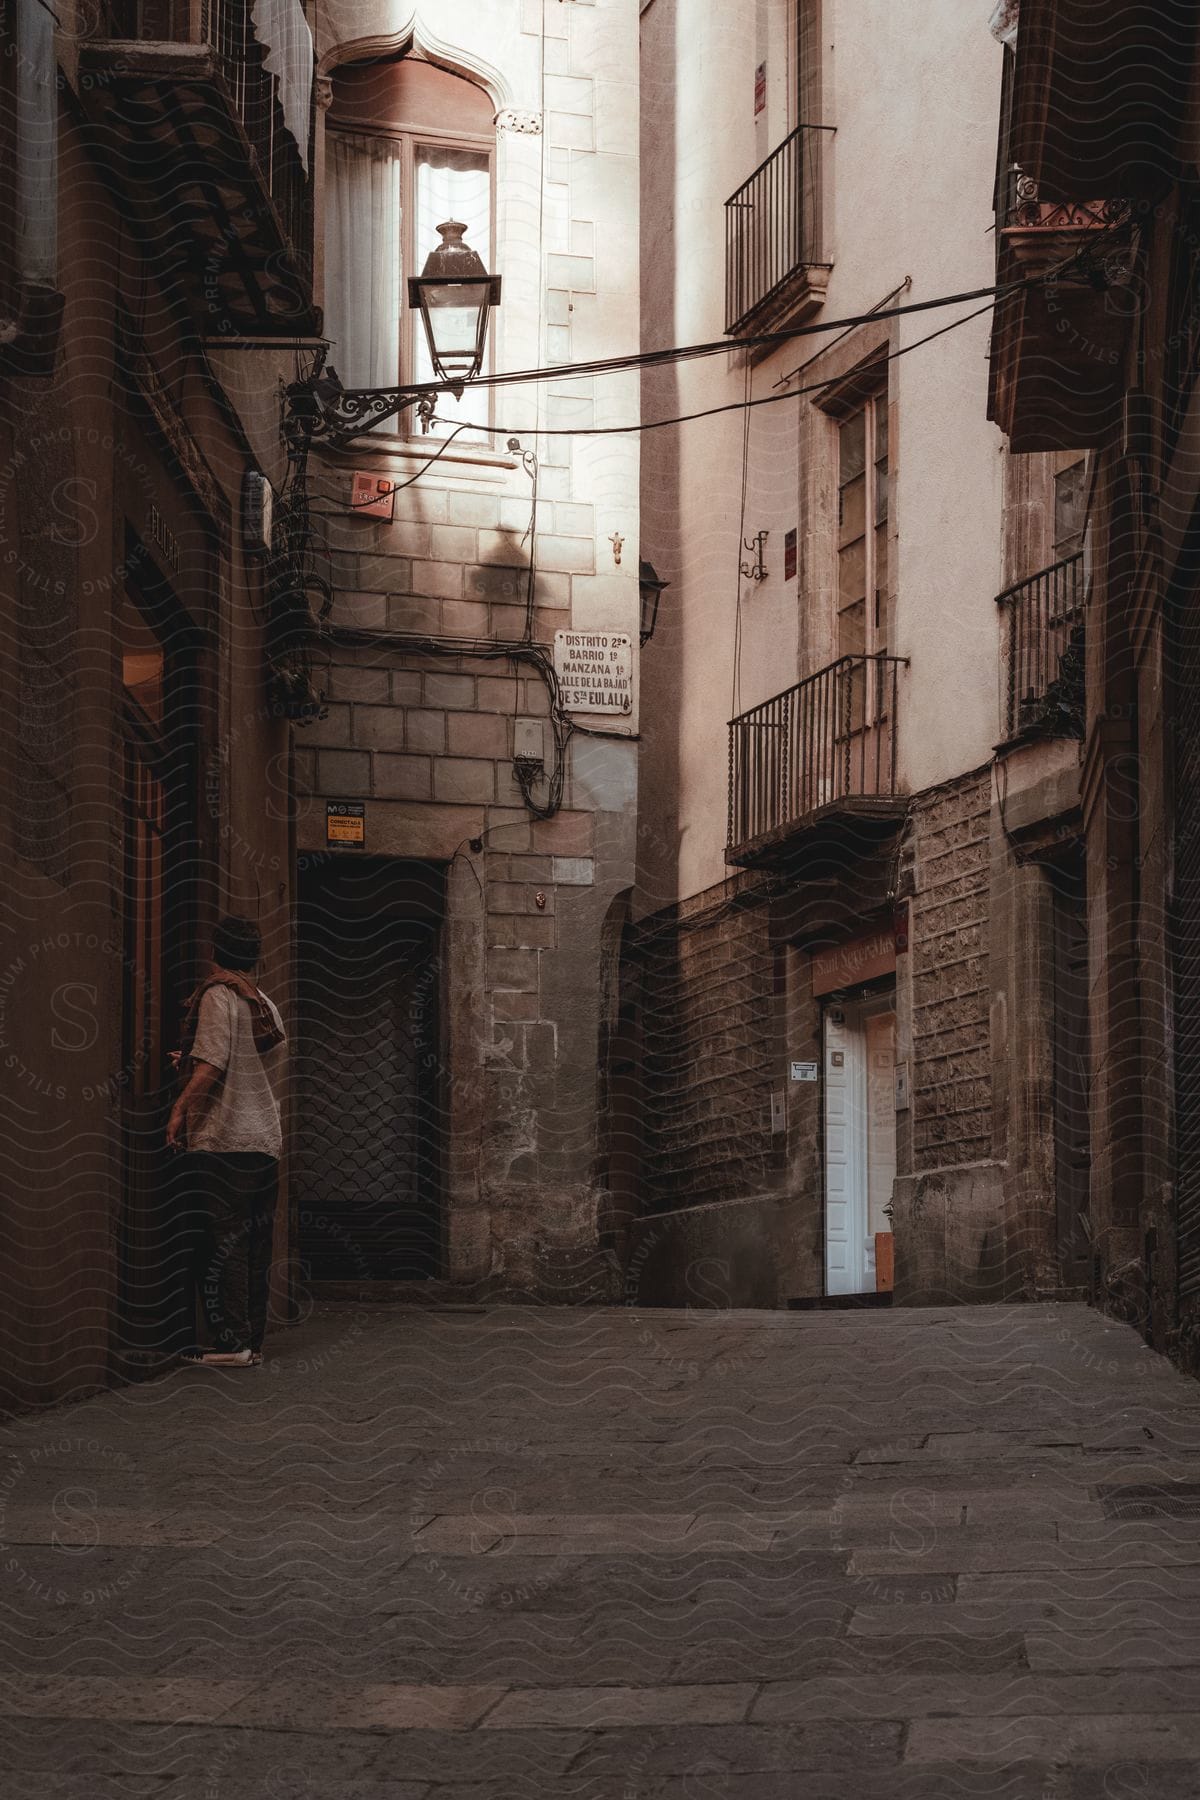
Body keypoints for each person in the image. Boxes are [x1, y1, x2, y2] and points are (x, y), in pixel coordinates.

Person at [168, 915, 286, 1367]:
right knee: (256, 1246)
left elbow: (215, 1065)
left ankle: (230, 1343)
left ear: (215, 951)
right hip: (263, 1141)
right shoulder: (265, 1006)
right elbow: (248, 1064)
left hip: (225, 1139)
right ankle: (251, 1343)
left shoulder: (220, 996)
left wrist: (180, 1108)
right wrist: (195, 1060)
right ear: (254, 958)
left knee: (222, 1244)